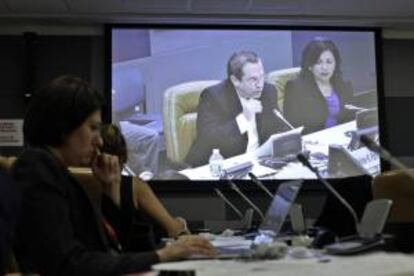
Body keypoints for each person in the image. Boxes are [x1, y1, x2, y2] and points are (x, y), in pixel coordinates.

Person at [11, 75, 215, 275]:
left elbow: (122, 251)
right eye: (92, 128)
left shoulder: (61, 174)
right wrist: (163, 255)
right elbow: (68, 263)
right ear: (64, 127)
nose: (99, 142)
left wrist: (112, 190)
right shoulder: (37, 168)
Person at [185, 50, 289, 167]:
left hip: (260, 163)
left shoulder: (268, 91)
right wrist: (243, 119)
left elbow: (279, 126)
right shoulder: (213, 96)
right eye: (253, 80)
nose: (260, 85)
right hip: (221, 165)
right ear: (235, 80)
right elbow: (208, 139)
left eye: (261, 77)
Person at [99, 123, 190, 247]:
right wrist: (181, 225)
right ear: (122, 158)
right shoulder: (134, 186)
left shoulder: (70, 182)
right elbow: (175, 230)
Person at [283, 38, 355, 134]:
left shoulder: (345, 86)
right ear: (310, 66)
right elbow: (292, 127)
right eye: (318, 62)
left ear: (335, 64)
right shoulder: (295, 88)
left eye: (329, 62)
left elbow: (351, 120)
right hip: (312, 143)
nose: (324, 67)